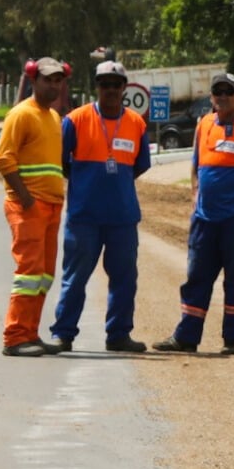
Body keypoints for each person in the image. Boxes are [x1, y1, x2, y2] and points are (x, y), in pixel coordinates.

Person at [153, 72, 234, 354]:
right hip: (205, 222)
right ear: (211, 97)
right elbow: (196, 165)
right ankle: (186, 337)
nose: (222, 97)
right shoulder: (204, 125)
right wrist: (195, 194)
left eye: (228, 92)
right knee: (196, 279)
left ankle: (233, 340)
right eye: (217, 92)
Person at [48, 59, 151, 353]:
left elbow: (139, 165)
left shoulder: (136, 123)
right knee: (75, 278)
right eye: (104, 84)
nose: (110, 90)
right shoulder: (75, 120)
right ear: (97, 87)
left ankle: (118, 335)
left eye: (116, 85)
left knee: (124, 279)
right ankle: (63, 333)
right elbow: (62, 161)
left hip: (122, 218)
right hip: (85, 218)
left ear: (124, 88)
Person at [0, 58, 71, 355]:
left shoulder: (52, 116)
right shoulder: (21, 114)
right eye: (47, 79)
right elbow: (4, 159)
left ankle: (30, 333)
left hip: (51, 207)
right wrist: (26, 199)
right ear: (33, 80)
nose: (53, 84)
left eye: (57, 80)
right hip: (28, 206)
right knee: (28, 273)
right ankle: (15, 338)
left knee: (43, 275)